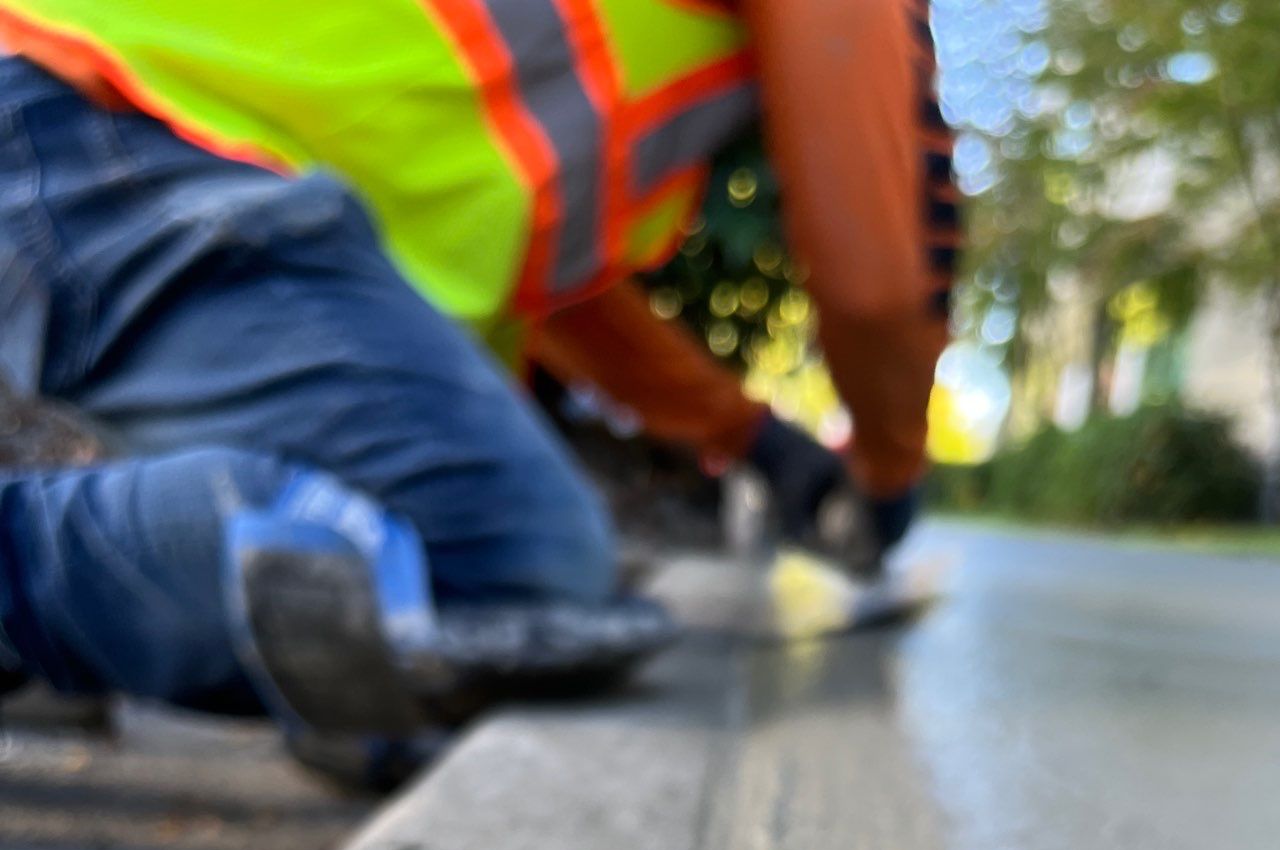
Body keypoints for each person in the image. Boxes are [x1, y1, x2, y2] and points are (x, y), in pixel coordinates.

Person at [0, 0, 960, 744]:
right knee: (502, 568)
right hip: (103, 125)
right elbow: (883, 278)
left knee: (440, 562)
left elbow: (565, 307)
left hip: (90, 124)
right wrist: (886, 471)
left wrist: (749, 436)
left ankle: (69, 627)